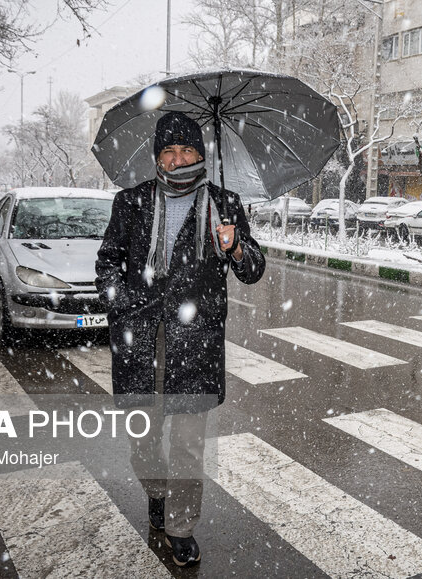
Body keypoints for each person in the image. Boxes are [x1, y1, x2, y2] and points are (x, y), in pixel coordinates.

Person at [95, 111, 265, 567]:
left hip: (197, 342)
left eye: (186, 149)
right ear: (157, 158)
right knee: (144, 439)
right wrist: (122, 299)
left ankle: (180, 526)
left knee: (189, 445)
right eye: (168, 151)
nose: (177, 158)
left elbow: (252, 270)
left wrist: (234, 246)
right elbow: (107, 263)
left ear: (200, 154)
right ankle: (157, 492)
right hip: (141, 340)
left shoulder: (225, 204)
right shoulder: (130, 202)